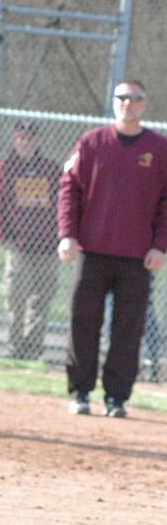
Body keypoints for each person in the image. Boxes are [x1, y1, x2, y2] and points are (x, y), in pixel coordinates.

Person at [57, 77, 167, 418]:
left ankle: (116, 397)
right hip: (92, 250)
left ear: (144, 104)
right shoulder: (91, 143)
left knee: (127, 327)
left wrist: (160, 246)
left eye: (135, 98)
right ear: (114, 101)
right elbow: (68, 189)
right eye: (122, 97)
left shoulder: (159, 148)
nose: (127, 103)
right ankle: (80, 392)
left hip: (137, 257)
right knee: (83, 321)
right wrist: (68, 234)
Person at [0, 119, 61, 360]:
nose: (26, 143)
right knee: (15, 296)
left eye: (30, 139)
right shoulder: (4, 168)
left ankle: (33, 350)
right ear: (14, 139)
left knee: (42, 298)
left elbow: (62, 202)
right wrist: (4, 237)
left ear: (37, 141)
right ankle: (14, 347)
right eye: (21, 138)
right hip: (18, 245)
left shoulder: (51, 169)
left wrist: (59, 236)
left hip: (48, 246)